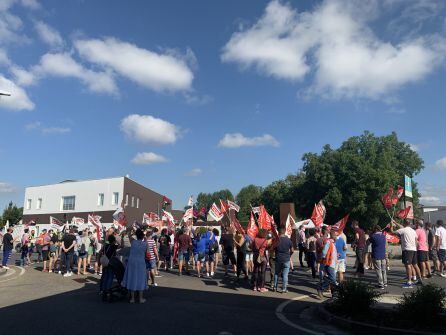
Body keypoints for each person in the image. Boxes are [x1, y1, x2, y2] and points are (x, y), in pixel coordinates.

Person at [391, 220, 423, 288]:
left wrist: (391, 225)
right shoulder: (413, 231)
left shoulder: (403, 230)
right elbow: (416, 241)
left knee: (408, 265)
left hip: (407, 250)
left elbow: (392, 232)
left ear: (404, 224)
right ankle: (420, 280)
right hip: (414, 249)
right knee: (415, 265)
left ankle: (409, 282)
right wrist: (395, 222)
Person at [122, 229, 148, 303]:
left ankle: (132, 298)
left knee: (132, 278)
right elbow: (146, 253)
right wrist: (144, 237)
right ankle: (140, 298)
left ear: (136, 235)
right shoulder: (145, 244)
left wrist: (131, 229)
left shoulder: (133, 242)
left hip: (132, 262)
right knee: (141, 279)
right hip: (140, 262)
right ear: (142, 236)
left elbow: (129, 234)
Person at [317, 231, 338, 299]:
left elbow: (330, 252)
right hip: (329, 264)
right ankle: (322, 288)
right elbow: (324, 252)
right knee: (333, 279)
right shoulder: (329, 242)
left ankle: (323, 288)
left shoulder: (332, 243)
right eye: (335, 235)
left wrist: (335, 255)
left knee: (331, 279)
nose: (336, 237)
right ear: (332, 236)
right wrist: (325, 260)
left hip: (331, 263)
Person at [274, 228, 293, 293]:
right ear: (285, 232)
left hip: (278, 258)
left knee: (276, 273)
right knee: (285, 275)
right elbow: (292, 250)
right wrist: (289, 254)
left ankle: (274, 287)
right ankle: (284, 289)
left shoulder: (277, 240)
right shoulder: (288, 240)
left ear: (279, 232)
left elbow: (273, 249)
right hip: (286, 259)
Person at [369, 225, 387, 289]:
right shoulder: (383, 236)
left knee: (378, 270)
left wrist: (371, 234)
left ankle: (380, 284)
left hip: (376, 255)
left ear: (375, 229)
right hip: (383, 255)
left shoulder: (373, 236)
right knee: (383, 270)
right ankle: (385, 282)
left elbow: (367, 242)